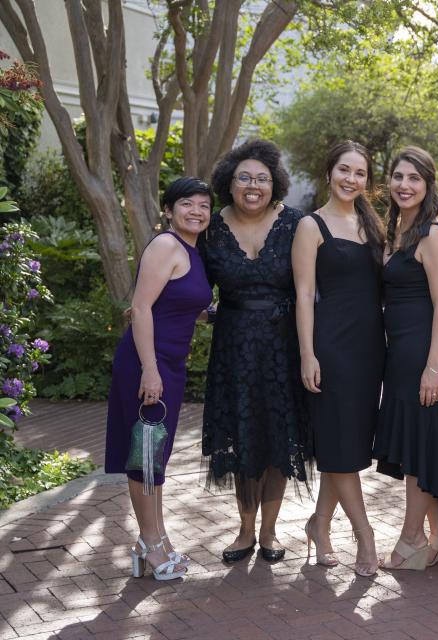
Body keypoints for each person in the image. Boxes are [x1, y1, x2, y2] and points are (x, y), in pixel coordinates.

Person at [202, 139, 308, 564]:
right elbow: (188, 281)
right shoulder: (208, 228)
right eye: (244, 177)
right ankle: (245, 530)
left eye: (262, 179)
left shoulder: (295, 223)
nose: (253, 185)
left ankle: (269, 532)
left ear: (275, 184)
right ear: (229, 182)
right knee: (241, 437)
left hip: (283, 347)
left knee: (277, 438)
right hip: (233, 350)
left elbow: (309, 289)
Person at [104, 177, 214, 580]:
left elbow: (184, 306)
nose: (197, 211)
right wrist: (150, 369)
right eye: (188, 204)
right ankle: (151, 544)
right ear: (168, 209)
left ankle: (153, 541)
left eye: (204, 205)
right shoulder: (166, 245)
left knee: (155, 456)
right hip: (145, 364)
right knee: (145, 457)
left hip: (169, 364)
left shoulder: (192, 251)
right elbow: (141, 308)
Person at [294, 141, 386, 577]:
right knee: (340, 443)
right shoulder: (311, 226)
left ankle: (319, 523)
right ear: (329, 172)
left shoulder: (374, 224)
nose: (352, 179)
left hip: (371, 349)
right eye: (344, 170)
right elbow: (304, 296)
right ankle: (365, 537)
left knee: (343, 443)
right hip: (331, 347)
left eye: (360, 173)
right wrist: (308, 353)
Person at [373, 147, 438, 570]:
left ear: (428, 186)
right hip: (397, 352)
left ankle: (412, 539)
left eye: (414, 178)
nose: (404, 185)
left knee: (418, 450)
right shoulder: (393, 230)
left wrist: (433, 367)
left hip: (423, 354)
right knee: (414, 445)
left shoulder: (432, 234)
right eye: (398, 176)